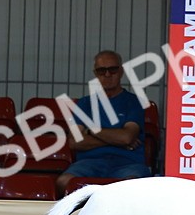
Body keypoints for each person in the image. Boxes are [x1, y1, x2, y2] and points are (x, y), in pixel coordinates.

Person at [57, 50, 152, 194]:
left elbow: (127, 137)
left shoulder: (134, 102)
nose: (107, 74)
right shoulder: (85, 104)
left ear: (121, 71)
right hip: (89, 163)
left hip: (127, 164)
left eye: (112, 69)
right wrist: (116, 139)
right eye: (102, 71)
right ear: (95, 73)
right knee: (63, 182)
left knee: (132, 188)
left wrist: (90, 131)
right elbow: (74, 142)